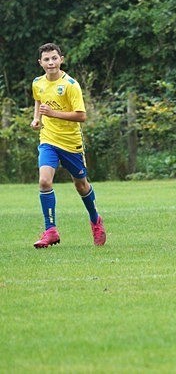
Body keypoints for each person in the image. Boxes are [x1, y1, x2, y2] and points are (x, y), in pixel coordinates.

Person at [30, 42, 106, 248]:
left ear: (61, 60)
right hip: (48, 141)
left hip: (71, 144)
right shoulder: (37, 82)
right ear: (40, 63)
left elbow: (81, 116)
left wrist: (53, 113)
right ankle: (50, 231)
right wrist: (36, 119)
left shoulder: (71, 85)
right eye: (46, 59)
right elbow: (38, 100)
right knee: (44, 182)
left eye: (54, 58)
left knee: (81, 185)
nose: (51, 62)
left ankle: (95, 220)